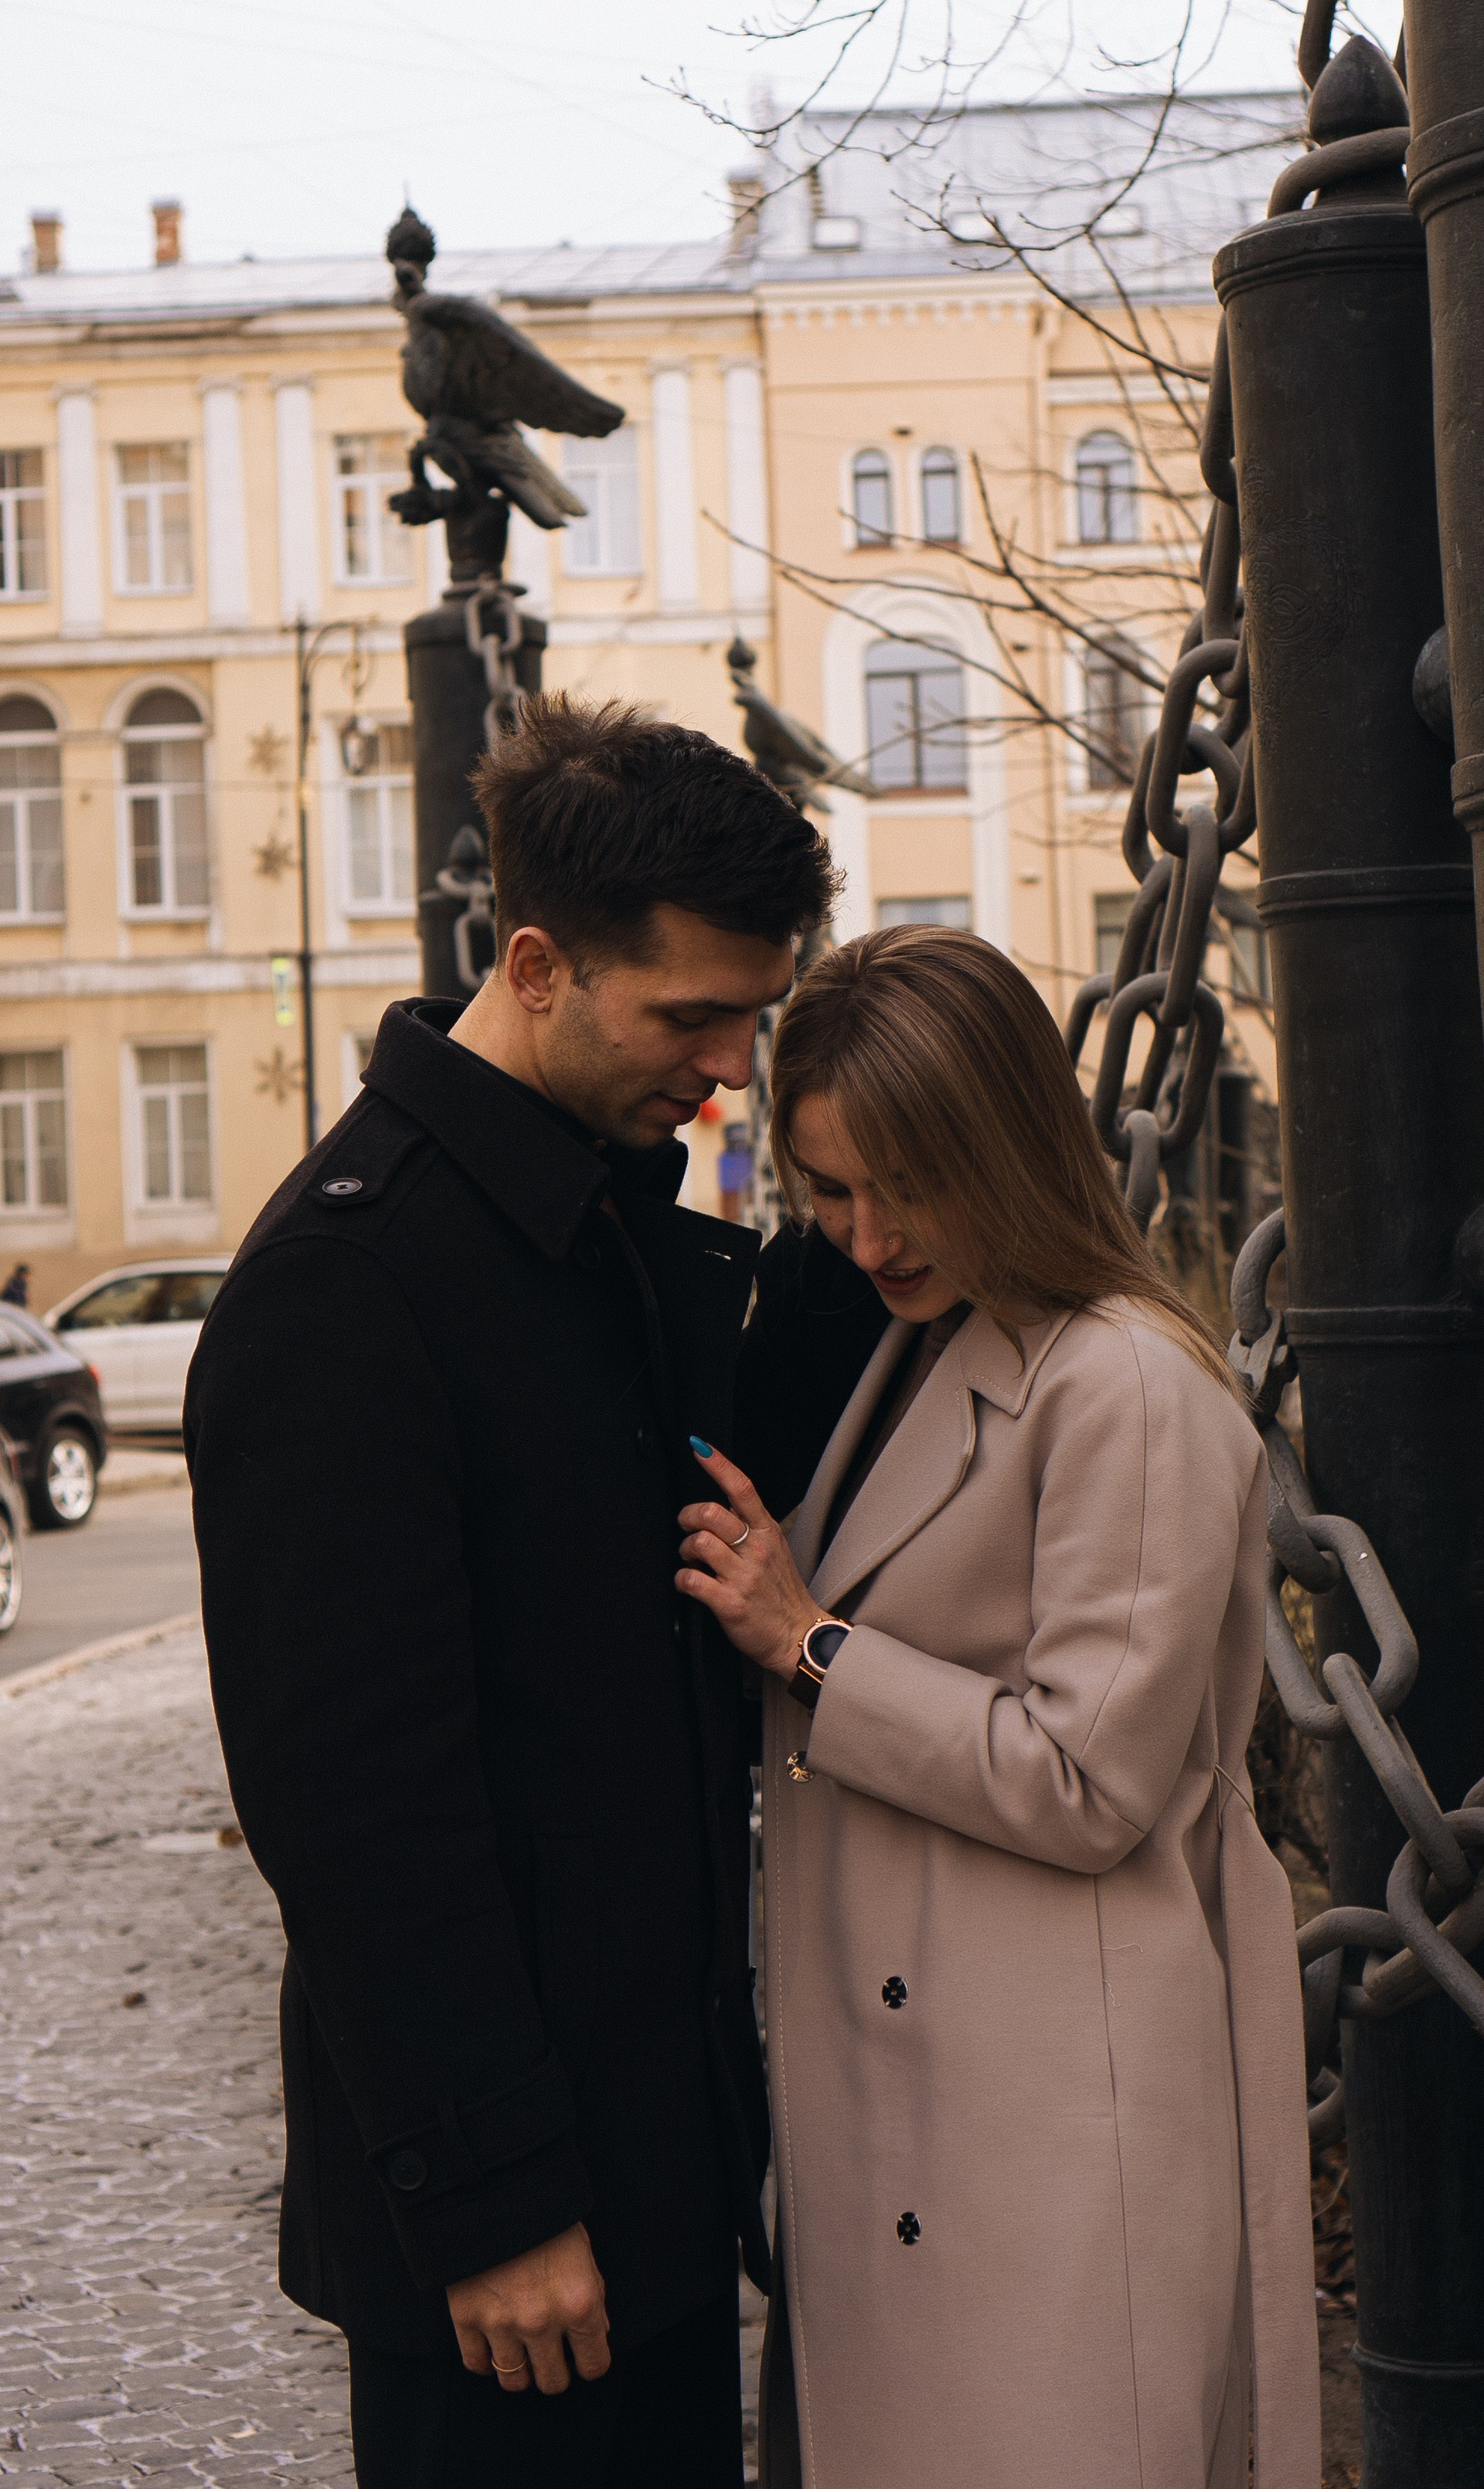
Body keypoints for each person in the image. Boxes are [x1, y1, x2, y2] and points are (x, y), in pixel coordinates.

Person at [186, 696, 836, 2489]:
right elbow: (354, 1808)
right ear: (537, 963)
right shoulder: (352, 1283)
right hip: (517, 2220)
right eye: (687, 1016)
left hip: (657, 2155)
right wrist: (491, 2202)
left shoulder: (593, 1220)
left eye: (751, 1021)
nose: (722, 1069)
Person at [678, 927, 1321, 2489]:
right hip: (920, 2095)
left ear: (1007, 1146)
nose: (867, 1234)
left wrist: (809, 1644)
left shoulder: (1130, 1389)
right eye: (829, 1190)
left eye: (906, 1182)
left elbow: (1083, 1781)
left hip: (1055, 2116)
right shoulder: (935, 1337)